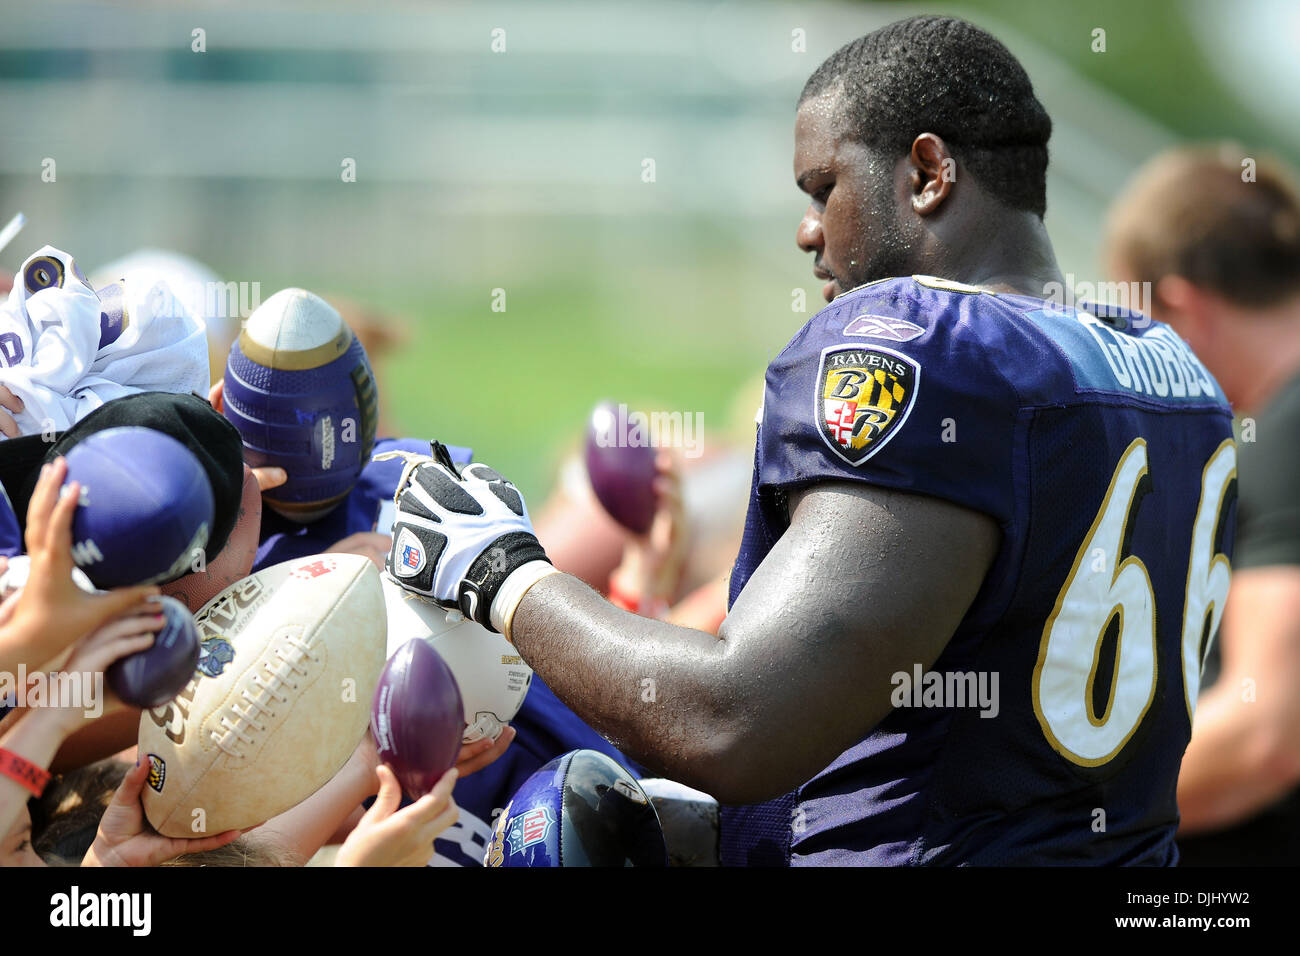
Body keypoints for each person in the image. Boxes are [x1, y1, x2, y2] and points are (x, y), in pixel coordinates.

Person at [381, 15, 1237, 865]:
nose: (807, 230)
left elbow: (735, 719)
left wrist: (501, 574)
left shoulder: (925, 346)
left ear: (929, 173)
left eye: (823, 186)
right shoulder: (1174, 374)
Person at [1105, 145, 1300, 864]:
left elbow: (1265, 733)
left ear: (1182, 307)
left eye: (1138, 327)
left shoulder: (1286, 437)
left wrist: (1059, 824)